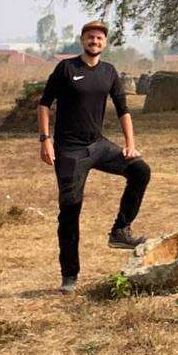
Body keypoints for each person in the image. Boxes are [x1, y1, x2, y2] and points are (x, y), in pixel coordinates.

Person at [37, 21, 151, 293]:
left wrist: (130, 144)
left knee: (140, 170)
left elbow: (123, 109)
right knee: (70, 211)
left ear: (105, 42)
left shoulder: (109, 72)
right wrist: (45, 140)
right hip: (69, 151)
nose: (95, 41)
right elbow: (44, 104)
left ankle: (120, 231)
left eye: (99, 38)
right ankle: (69, 275)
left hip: (98, 145)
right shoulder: (67, 68)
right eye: (90, 37)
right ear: (82, 40)